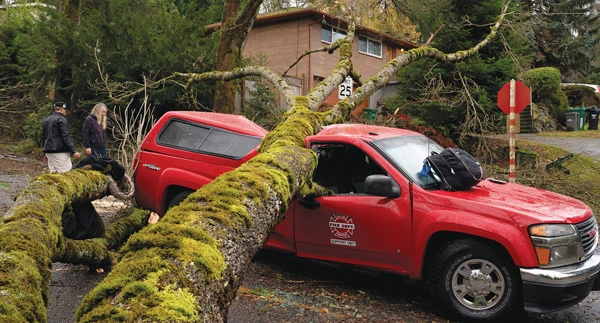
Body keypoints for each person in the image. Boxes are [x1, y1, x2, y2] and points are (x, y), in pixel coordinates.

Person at [42, 102, 80, 173]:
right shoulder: (61, 119)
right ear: (62, 109)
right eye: (65, 110)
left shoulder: (46, 120)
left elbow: (44, 137)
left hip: (48, 150)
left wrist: (44, 152)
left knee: (53, 173)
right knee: (66, 172)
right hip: (59, 151)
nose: (66, 113)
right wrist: (74, 151)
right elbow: (66, 136)